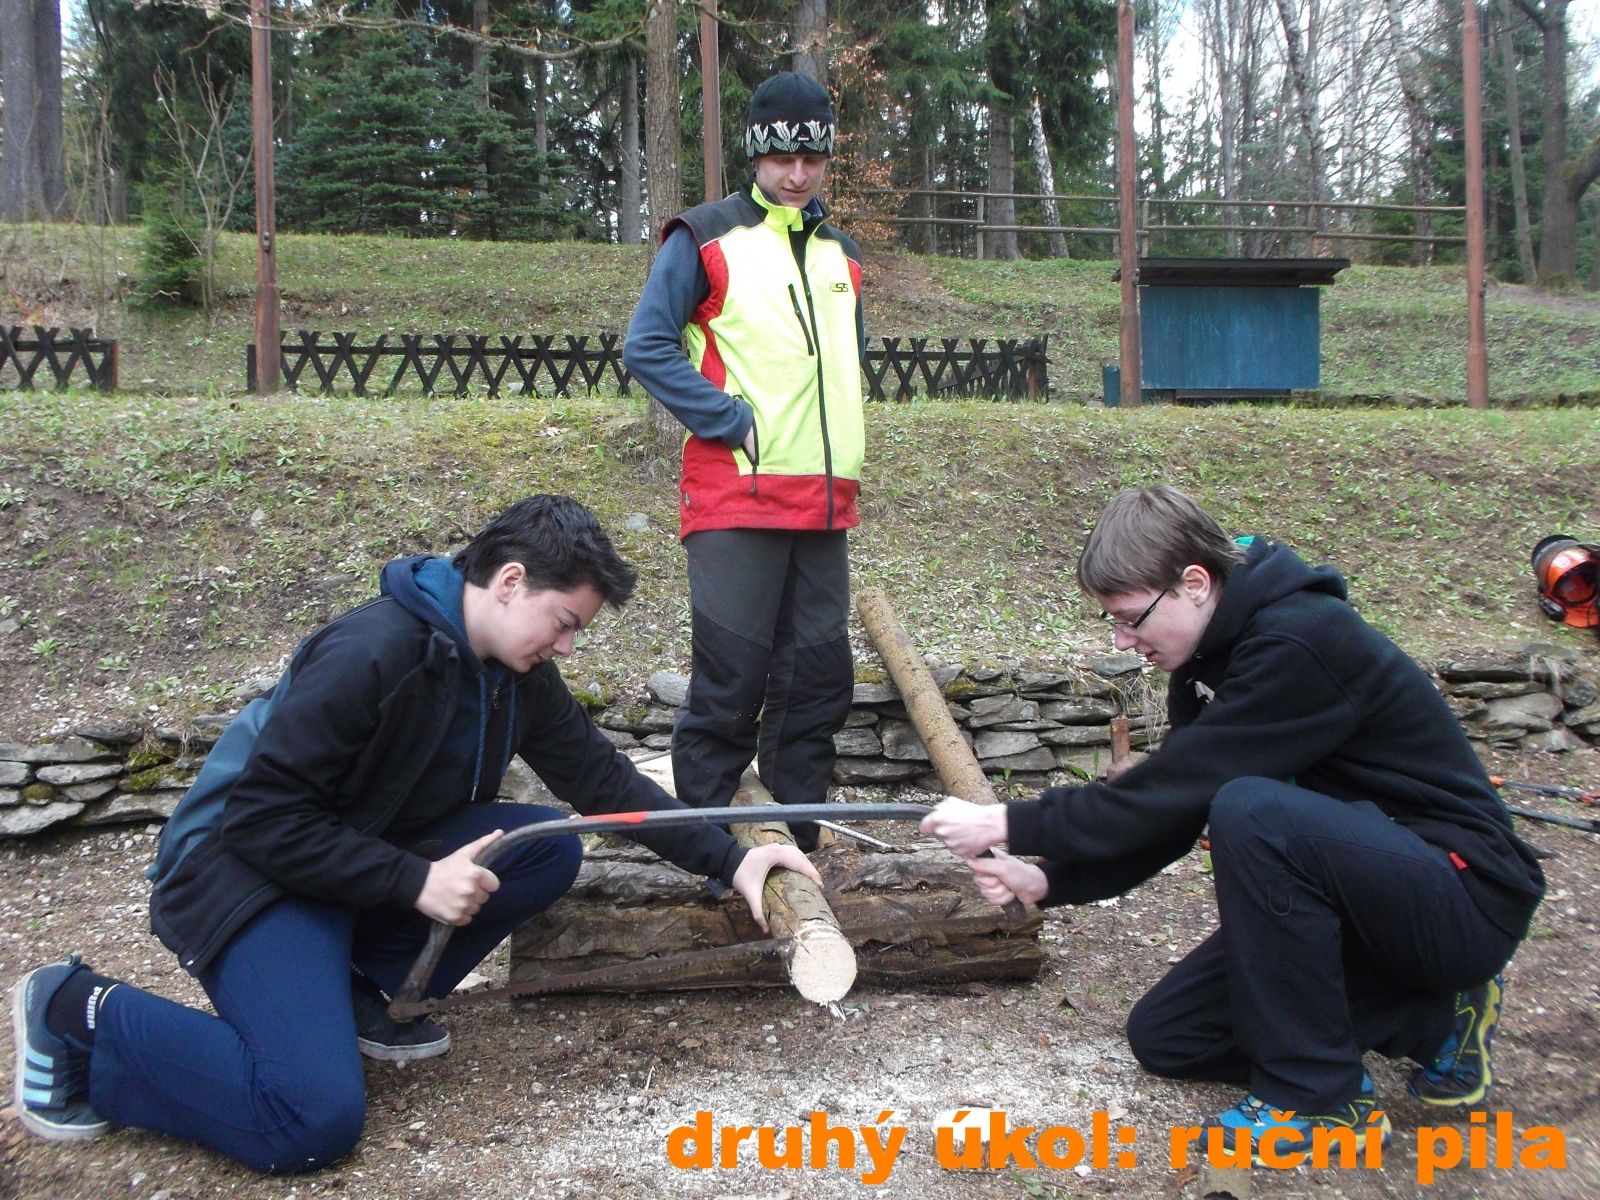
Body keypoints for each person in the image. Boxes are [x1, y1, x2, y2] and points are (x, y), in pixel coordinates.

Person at [10, 495, 818, 1173]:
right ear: (510, 581)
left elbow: (601, 782)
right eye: (564, 621)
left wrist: (732, 862)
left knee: (543, 844)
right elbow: (259, 820)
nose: (567, 644)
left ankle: (361, 996)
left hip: (342, 860)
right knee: (309, 1118)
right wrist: (415, 882)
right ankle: (76, 1011)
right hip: (244, 876)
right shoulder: (371, 653)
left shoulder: (517, 676)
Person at [920, 486, 1545, 1162]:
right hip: (1361, 903)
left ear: (1194, 583)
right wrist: (1047, 881)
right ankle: (1434, 1017)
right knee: (1170, 1037)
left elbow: (1177, 788)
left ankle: (1320, 1102)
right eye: (1112, 622)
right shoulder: (1204, 667)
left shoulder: (1303, 640)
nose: (1123, 641)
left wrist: (1007, 820)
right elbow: (1175, 810)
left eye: (1130, 618)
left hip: (1463, 894)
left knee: (1253, 810)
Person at [622, 71, 865, 852]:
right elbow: (646, 345)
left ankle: (798, 851)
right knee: (732, 682)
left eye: (812, 159)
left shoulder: (842, 256)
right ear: (755, 154)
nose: (797, 174)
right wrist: (729, 419)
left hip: (824, 501)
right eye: (782, 158)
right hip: (737, 494)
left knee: (818, 683)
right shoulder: (704, 237)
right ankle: (709, 851)